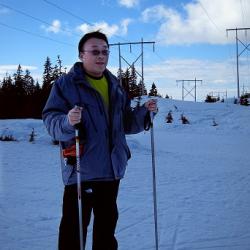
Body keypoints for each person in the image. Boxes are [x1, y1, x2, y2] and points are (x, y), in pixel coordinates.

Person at [42, 31, 158, 250]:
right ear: (81, 54)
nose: (101, 56)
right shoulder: (65, 85)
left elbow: (126, 125)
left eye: (105, 51)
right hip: (80, 170)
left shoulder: (115, 86)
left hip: (111, 170)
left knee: (106, 231)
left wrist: (144, 113)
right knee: (73, 232)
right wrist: (67, 121)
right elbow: (51, 121)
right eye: (94, 51)